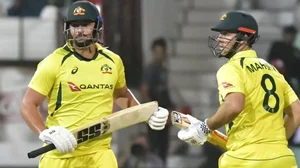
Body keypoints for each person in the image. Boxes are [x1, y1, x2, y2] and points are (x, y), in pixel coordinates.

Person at [20, 1, 169, 168]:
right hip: (61, 154)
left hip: (100, 154)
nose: (80, 31)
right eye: (74, 25)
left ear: (97, 26)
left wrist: (145, 115)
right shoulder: (54, 62)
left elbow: (121, 95)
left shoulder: (113, 61)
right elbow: (27, 105)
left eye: (85, 24)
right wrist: (45, 133)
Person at [176, 10, 300, 168]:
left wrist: (204, 127)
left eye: (226, 34)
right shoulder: (272, 69)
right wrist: (277, 142)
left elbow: (234, 106)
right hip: (283, 159)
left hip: (245, 160)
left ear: (245, 37)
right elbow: (297, 111)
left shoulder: (231, 69)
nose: (219, 39)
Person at [140, 37, 174, 164]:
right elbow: (144, 90)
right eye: (157, 52)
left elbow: (165, 92)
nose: (160, 55)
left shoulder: (163, 69)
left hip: (164, 113)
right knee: (155, 146)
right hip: (155, 114)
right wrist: (153, 111)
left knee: (163, 146)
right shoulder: (151, 69)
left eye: (162, 52)